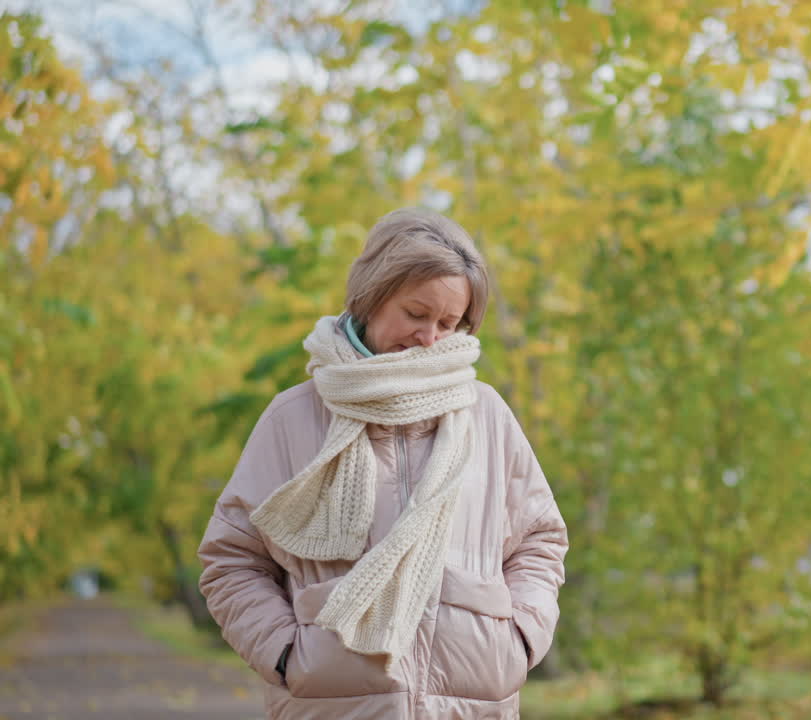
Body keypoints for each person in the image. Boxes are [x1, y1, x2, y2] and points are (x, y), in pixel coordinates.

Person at [198, 209, 568, 719]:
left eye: (449, 322)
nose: (431, 338)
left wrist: (520, 640)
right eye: (416, 314)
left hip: (472, 706)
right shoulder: (294, 417)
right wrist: (284, 653)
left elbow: (539, 540)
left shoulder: (485, 415)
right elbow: (233, 559)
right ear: (371, 297)